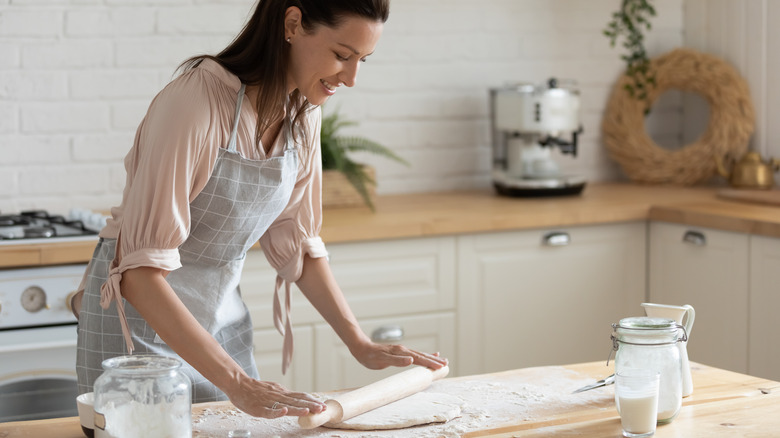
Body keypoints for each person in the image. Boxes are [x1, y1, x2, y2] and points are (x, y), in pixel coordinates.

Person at [73, 0, 448, 420]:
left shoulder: (302, 114)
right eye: (342, 55)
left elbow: (298, 244)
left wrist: (359, 342)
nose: (352, 77)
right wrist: (236, 383)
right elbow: (139, 274)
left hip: (221, 321)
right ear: (292, 24)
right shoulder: (196, 103)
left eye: (362, 59)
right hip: (139, 331)